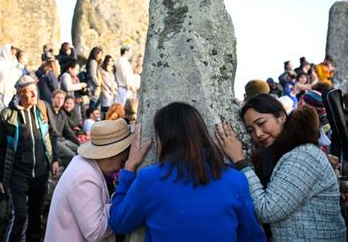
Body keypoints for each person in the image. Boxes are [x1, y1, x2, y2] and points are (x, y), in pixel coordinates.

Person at [109, 102, 265, 241]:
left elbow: (119, 223)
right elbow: (252, 236)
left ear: (163, 140)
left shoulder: (149, 179)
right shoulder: (235, 180)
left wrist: (128, 170)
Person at [217, 94, 346, 241]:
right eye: (250, 130)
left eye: (261, 123)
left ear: (281, 116)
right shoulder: (282, 153)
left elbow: (267, 210)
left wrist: (239, 160)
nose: (257, 134)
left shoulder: (303, 155)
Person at [0, 75, 60, 242]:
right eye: (29, 93)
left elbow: (52, 135)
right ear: (19, 94)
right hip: (18, 174)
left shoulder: (43, 108)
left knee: (36, 217)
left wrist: (55, 159)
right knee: (20, 215)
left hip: (41, 172)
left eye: (34, 92)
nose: (33, 96)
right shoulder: (7, 115)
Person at [44, 118, 135, 241]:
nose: (122, 167)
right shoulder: (84, 177)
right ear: (108, 155)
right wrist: (118, 199)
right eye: (122, 161)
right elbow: (95, 232)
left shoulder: (83, 164)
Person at [45, 89, 80, 168]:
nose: (60, 100)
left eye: (62, 98)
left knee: (80, 150)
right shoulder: (48, 110)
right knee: (71, 156)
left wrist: (78, 143)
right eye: (58, 98)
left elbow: (67, 131)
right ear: (52, 99)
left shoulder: (62, 113)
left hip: (63, 140)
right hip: (53, 141)